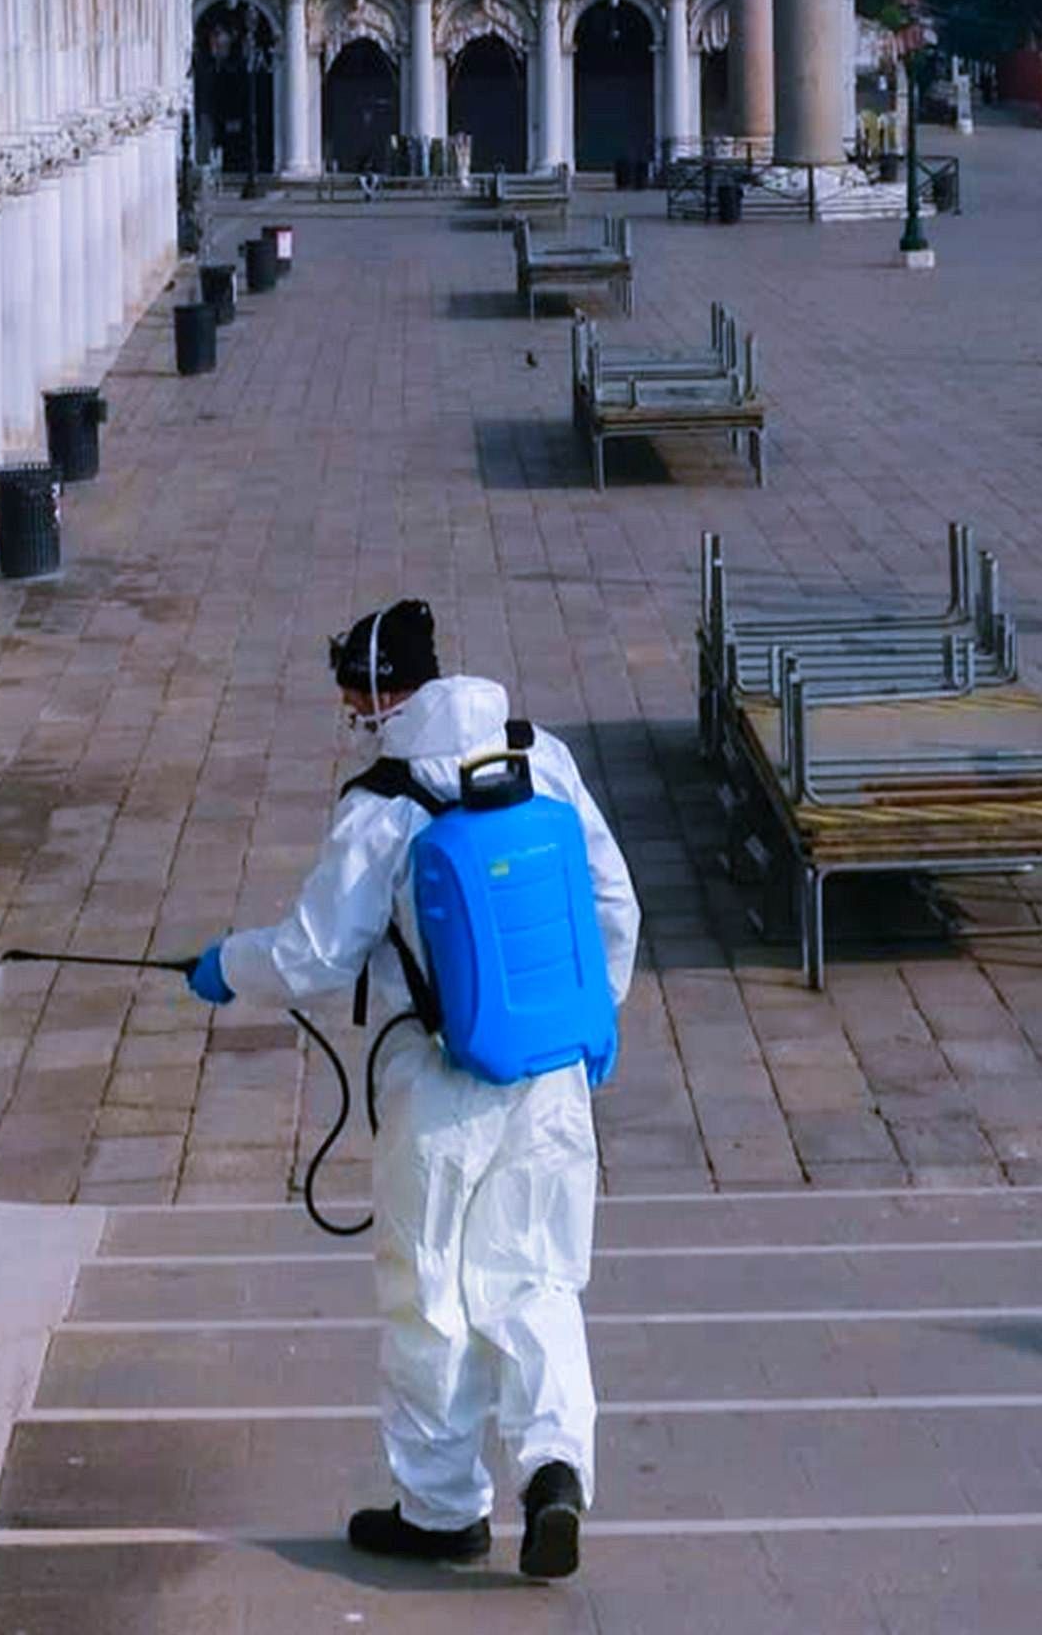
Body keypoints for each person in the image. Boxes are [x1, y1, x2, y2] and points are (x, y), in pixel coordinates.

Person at [188, 599, 641, 1580]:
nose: (350, 717)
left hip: (437, 1082)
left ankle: (441, 1510)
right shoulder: (540, 757)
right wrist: (593, 1017)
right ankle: (555, 1468)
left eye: (352, 701)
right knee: (536, 1275)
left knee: (429, 1285)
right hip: (552, 1073)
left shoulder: (383, 806)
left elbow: (313, 955)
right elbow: (613, 899)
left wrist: (226, 965)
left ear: (377, 696)